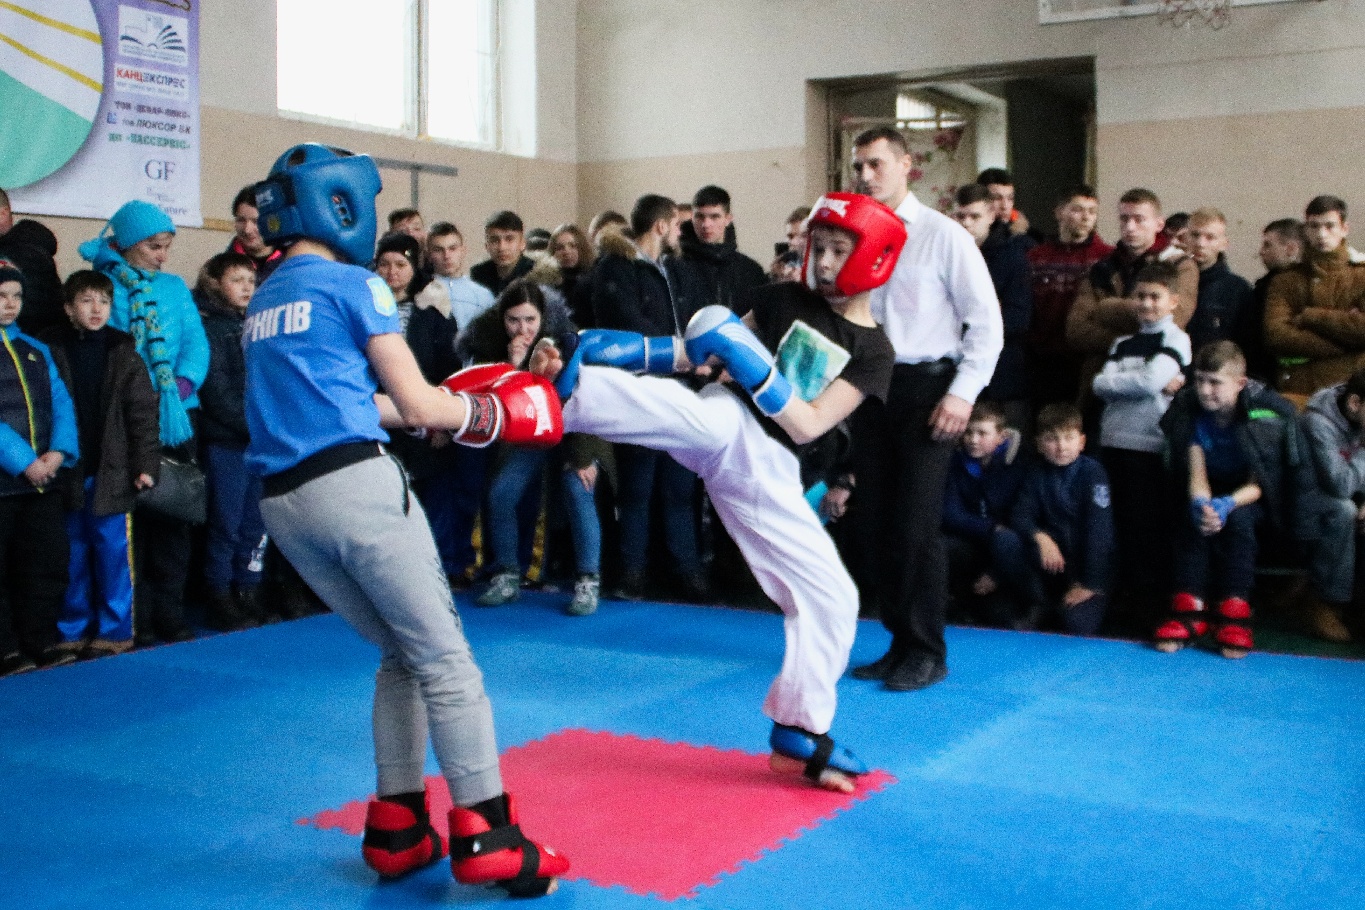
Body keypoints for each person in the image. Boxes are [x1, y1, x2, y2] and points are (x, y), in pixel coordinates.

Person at [245, 143, 568, 895]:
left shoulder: (266, 296)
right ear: (340, 206)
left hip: (286, 505)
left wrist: (466, 406)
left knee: (402, 653)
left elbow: (360, 402)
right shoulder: (353, 283)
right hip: (355, 489)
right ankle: (489, 835)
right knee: (447, 659)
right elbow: (420, 404)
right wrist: (496, 413)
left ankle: (397, 827)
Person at [535, 191, 906, 792]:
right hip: (726, 417)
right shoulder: (781, 297)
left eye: (841, 250)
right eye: (821, 247)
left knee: (834, 597)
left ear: (875, 258)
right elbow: (705, 353)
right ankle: (571, 392)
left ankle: (799, 729)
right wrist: (655, 350)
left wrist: (754, 366)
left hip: (772, 466)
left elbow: (809, 424)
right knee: (701, 412)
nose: (825, 261)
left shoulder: (874, 351)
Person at [846, 126, 1002, 693]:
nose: (865, 175)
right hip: (869, 387)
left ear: (907, 165)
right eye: (858, 166)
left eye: (876, 164)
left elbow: (986, 324)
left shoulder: (943, 235)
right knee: (876, 523)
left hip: (927, 390)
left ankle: (927, 650)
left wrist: (962, 393)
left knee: (915, 525)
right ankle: (897, 642)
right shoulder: (855, 235)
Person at [79, 200, 209, 646]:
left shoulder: (175, 288)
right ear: (129, 244)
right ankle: (139, 618)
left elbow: (196, 344)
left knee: (175, 516)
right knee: (132, 523)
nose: (162, 256)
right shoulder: (106, 288)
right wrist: (140, 398)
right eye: (154, 246)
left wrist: (181, 386)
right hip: (126, 421)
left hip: (177, 417)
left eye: (167, 246)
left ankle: (171, 613)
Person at [457, 280, 606, 616]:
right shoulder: (488, 343)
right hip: (532, 430)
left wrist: (582, 457)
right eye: (513, 320)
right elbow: (496, 402)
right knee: (502, 493)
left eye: (530, 320)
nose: (522, 329)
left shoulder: (567, 339)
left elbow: (584, 398)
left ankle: (588, 580)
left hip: (576, 427)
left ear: (543, 317)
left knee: (578, 487)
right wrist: (515, 366)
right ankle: (507, 574)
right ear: (502, 319)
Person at [1154, 342, 1310, 659]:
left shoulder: (1266, 415)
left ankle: (1235, 608)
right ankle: (1189, 607)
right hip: (1210, 486)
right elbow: (1196, 473)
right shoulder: (1191, 412)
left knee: (1239, 521)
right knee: (1193, 519)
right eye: (1199, 380)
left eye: (1215, 382)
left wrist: (1226, 505)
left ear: (1240, 383)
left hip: (1252, 495)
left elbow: (1259, 482)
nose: (1204, 390)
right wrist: (1203, 506)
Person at [591, 194, 711, 600]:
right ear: (661, 226)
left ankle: (687, 571)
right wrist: (679, 355)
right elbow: (627, 326)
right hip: (639, 392)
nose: (680, 232)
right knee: (637, 488)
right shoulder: (615, 268)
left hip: (678, 390)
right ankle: (632, 573)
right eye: (676, 225)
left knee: (680, 488)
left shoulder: (674, 270)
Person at [45, 271, 159, 659]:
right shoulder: (50, 350)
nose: (97, 309)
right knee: (71, 555)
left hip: (112, 472)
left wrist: (145, 464)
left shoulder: (124, 353)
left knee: (113, 555)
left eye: (104, 302)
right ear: (68, 308)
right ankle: (72, 628)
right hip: (67, 472)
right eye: (86, 301)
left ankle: (115, 629)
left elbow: (142, 415)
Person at [1090, 261, 1191, 628]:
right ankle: (1121, 602)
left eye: (1155, 296)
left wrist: (1129, 382)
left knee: (1147, 529)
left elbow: (1146, 382)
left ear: (1173, 301)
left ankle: (1150, 608)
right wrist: (1143, 381)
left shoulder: (1176, 340)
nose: (1146, 304)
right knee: (1117, 526)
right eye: (1140, 296)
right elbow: (1099, 384)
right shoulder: (1121, 343)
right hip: (1113, 443)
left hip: (1149, 447)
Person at [0, 264, 79, 676]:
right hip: (7, 483)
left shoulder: (35, 348)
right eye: (1, 296)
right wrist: (23, 461)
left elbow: (61, 402)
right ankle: (5, 648)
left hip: (41, 483)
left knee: (46, 563)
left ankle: (41, 639)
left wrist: (59, 452)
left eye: (16, 296)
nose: (10, 304)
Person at [1066, 188, 1198, 423]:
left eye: (1139, 219)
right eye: (1124, 219)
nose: (1130, 227)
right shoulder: (1101, 269)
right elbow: (1076, 330)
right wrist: (1134, 341)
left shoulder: (1179, 265)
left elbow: (1173, 319)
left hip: (1158, 391)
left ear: (1158, 224)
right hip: (1100, 388)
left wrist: (1105, 308)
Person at [196, 252, 272, 631]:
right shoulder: (210, 329)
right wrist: (256, 426)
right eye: (236, 280)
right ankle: (219, 594)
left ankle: (249, 588)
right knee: (226, 523)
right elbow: (217, 392)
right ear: (216, 284)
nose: (246, 288)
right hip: (228, 442)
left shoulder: (259, 324)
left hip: (260, 441)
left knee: (256, 523)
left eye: (251, 281)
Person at [995, 403, 1113, 635]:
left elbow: (1099, 532)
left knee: (1076, 625)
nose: (1061, 447)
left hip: (1084, 568)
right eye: (1052, 439)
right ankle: (1039, 602)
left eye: (1069, 438)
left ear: (1082, 442)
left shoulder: (1092, 473)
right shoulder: (1035, 472)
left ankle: (1076, 601)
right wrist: (1040, 537)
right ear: (1039, 444)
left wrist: (1089, 583)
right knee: (1004, 539)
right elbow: (1020, 515)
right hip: (1048, 564)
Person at [1264, 195, 1365, 402]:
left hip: (1349, 393)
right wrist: (1346, 344)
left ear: (1344, 229)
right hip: (1297, 390)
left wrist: (1310, 316)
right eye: (1314, 226)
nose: (1321, 234)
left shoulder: (1361, 276)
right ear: (1306, 230)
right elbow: (1276, 335)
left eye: (1330, 226)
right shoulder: (1286, 279)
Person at [940, 400, 1027, 628]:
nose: (973, 440)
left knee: (1001, 617)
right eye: (968, 432)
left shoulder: (1018, 467)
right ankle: (955, 599)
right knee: (942, 547)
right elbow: (950, 513)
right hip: (970, 543)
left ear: (1001, 437)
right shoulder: (955, 463)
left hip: (1005, 557)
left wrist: (995, 574)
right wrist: (990, 527)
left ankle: (1029, 603)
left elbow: (1020, 518)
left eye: (982, 433)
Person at [954, 184, 1033, 433]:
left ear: (991, 215)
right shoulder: (947, 254)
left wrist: (971, 321)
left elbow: (1018, 317)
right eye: (961, 216)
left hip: (1003, 375)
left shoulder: (1013, 256)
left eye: (974, 216)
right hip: (955, 370)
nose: (967, 223)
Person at [1027, 186, 1114, 408]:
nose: (1086, 217)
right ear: (1059, 212)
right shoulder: (1036, 257)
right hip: (1043, 359)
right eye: (1078, 210)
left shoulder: (1107, 257)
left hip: (1088, 358)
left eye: (1092, 211)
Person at [1297, 368, 1365, 643]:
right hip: (1304, 498)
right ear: (1355, 403)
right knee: (1344, 511)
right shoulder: (1318, 422)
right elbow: (1340, 484)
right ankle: (1326, 603)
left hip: (1344, 491)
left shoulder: (1359, 416)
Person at [679, 185, 767, 313]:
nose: (706, 224)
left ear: (728, 219)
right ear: (692, 218)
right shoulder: (675, 266)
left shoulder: (750, 271)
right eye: (699, 216)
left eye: (714, 217)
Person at [1184, 208, 1255, 359]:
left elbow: (1247, 345)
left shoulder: (1237, 290)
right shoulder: (1169, 282)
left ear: (1224, 244)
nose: (1200, 243)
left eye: (1210, 237)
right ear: (1185, 238)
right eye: (1195, 235)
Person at [1246, 218, 1304, 383]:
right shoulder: (1263, 286)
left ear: (1291, 248)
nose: (1261, 251)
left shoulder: (1295, 289)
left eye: (1268, 245)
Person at [0, 189, 64, 337]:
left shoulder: (22, 254)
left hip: (27, 344)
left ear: (2, 214)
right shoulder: (28, 246)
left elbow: (24, 315)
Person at [470, 211, 535, 296]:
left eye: (509, 239)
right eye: (494, 240)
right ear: (487, 246)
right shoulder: (478, 274)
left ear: (523, 243)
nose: (502, 247)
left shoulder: (536, 274)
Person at [548, 223, 597, 329]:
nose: (566, 252)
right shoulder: (547, 285)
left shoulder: (595, 281)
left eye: (573, 246)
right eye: (560, 248)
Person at [229, 186, 284, 278]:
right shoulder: (220, 269)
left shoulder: (292, 261)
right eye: (241, 220)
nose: (247, 230)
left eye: (256, 221)